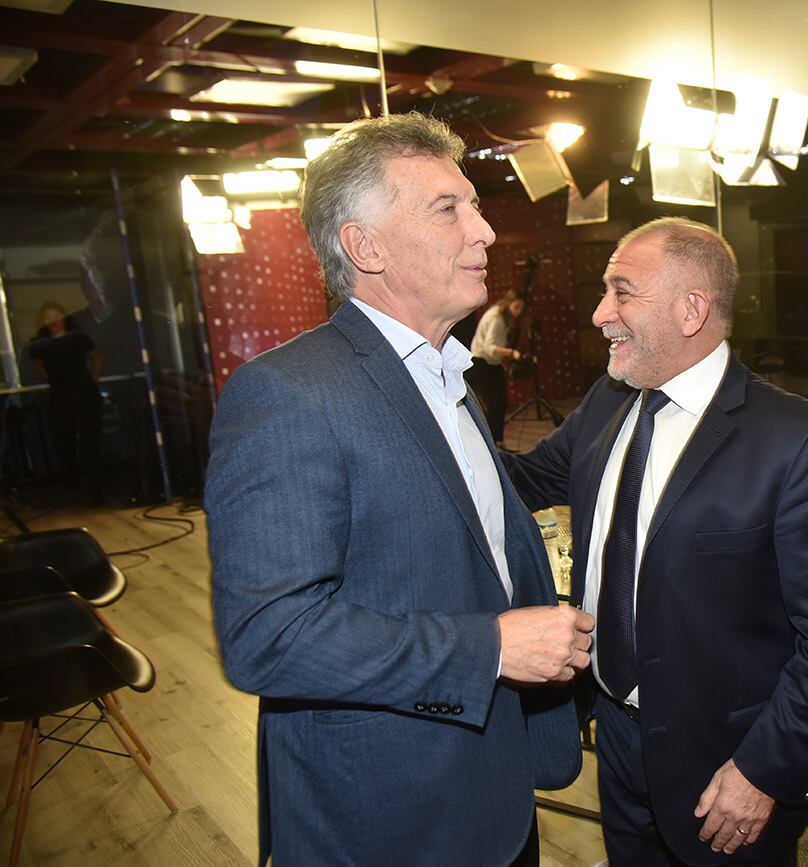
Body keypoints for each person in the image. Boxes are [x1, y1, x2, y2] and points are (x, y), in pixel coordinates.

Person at [204, 112, 594, 867]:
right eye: (449, 208)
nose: (483, 231)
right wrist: (492, 644)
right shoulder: (287, 392)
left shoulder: (448, 374)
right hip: (393, 817)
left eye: (475, 205)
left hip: (493, 787)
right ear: (366, 246)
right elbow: (267, 637)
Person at [502, 218, 808, 865]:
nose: (600, 314)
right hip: (614, 732)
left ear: (691, 308)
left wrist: (765, 769)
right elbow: (522, 480)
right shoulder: (606, 402)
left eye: (622, 292)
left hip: (726, 761)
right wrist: (432, 414)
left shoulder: (794, 438)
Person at [28, 301, 104, 503]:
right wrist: (51, 380)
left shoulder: (78, 337)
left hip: (84, 392)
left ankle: (96, 489)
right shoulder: (41, 343)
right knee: (64, 442)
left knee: (91, 441)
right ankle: (72, 487)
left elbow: (96, 357)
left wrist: (94, 380)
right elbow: (39, 365)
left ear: (64, 316)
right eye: (48, 317)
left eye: (56, 315)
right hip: (60, 395)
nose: (53, 320)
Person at [466, 288, 527, 445]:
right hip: (483, 363)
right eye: (516, 307)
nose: (518, 312)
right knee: (494, 406)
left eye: (521, 308)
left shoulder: (501, 315)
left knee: (499, 404)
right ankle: (493, 444)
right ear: (508, 303)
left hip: (491, 363)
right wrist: (512, 353)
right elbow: (489, 347)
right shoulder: (497, 318)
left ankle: (498, 442)